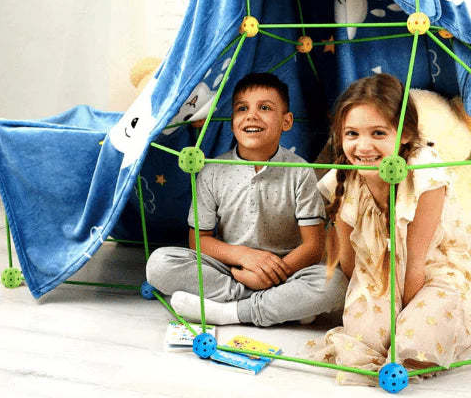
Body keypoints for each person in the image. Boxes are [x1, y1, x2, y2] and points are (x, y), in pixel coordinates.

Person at [310, 73, 471, 384]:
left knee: (417, 336)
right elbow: (349, 262)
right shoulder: (346, 176)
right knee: (365, 339)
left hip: (433, 269)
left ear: (405, 134)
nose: (363, 146)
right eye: (352, 134)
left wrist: (405, 316)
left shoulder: (424, 171)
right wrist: (376, 306)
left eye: (378, 133)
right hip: (380, 269)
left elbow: (416, 263)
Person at [146, 72, 348, 326]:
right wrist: (244, 258)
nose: (251, 115)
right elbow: (198, 241)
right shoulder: (212, 171)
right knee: (159, 264)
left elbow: (313, 247)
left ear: (286, 121)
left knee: (335, 284)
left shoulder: (300, 171)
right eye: (242, 108)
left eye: (265, 108)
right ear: (233, 122)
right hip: (231, 269)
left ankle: (229, 312)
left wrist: (272, 274)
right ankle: (272, 305)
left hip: (287, 271)